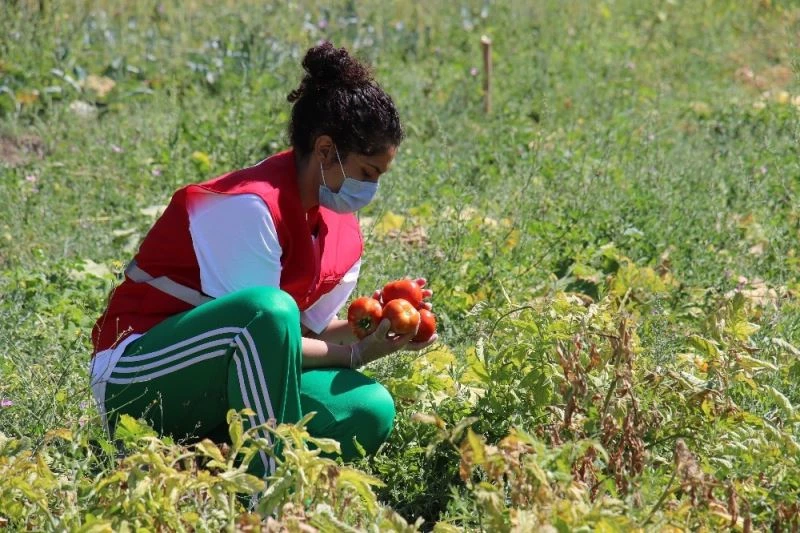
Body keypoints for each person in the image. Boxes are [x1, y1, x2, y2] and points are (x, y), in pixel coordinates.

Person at [89, 42, 437, 478]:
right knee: (268, 313)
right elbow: (263, 333)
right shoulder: (248, 207)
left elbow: (303, 334)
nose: (370, 190)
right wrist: (352, 355)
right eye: (367, 173)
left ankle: (208, 466)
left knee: (366, 407)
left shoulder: (342, 229)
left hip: (224, 381)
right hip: (138, 374)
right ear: (326, 150)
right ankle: (267, 494)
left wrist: (380, 326)